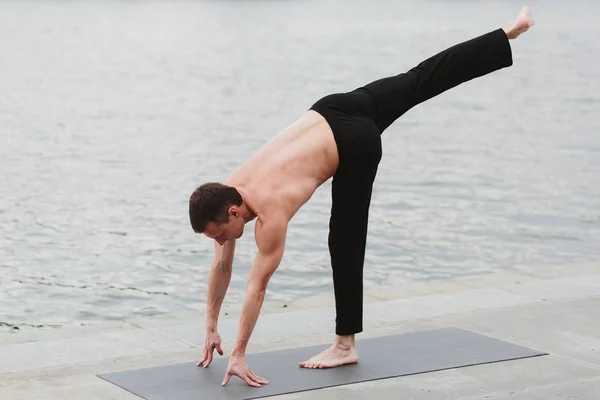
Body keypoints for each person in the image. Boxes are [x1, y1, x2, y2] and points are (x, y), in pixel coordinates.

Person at [189, 6, 535, 388]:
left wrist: (237, 354)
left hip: (353, 144)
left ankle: (344, 344)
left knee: (345, 240)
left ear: (234, 213)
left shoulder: (270, 218)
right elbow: (222, 268)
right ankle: (506, 34)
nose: (220, 243)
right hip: (337, 105)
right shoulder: (228, 190)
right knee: (419, 78)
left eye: (219, 234)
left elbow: (256, 288)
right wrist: (210, 327)